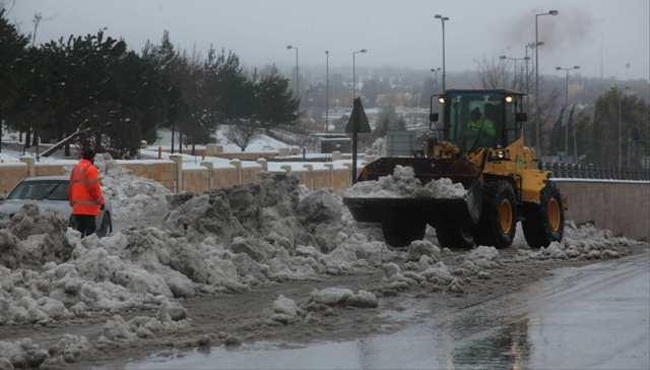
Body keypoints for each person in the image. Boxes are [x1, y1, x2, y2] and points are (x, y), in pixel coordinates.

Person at [69, 148, 105, 236]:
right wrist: (101, 201)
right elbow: (94, 188)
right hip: (89, 209)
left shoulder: (76, 169)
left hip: (77, 208)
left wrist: (72, 202)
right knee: (90, 236)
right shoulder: (91, 169)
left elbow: (71, 186)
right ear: (92, 158)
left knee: (79, 233)